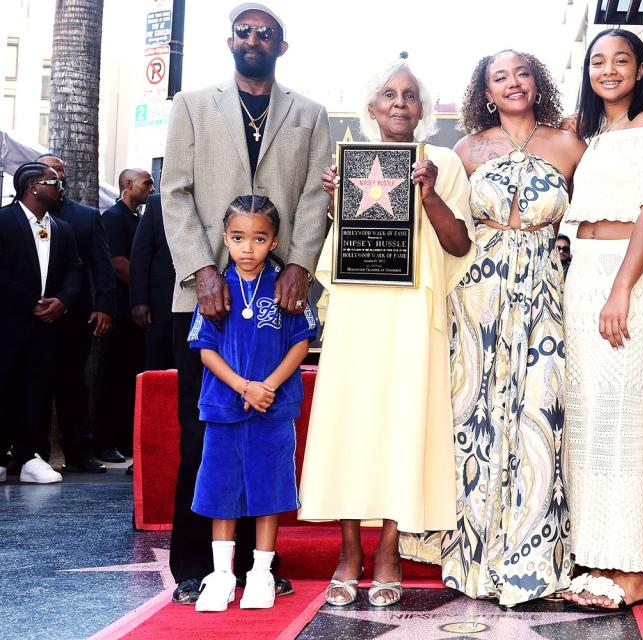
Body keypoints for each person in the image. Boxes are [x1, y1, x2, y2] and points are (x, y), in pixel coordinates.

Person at [399, 49, 585, 607]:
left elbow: (596, 214)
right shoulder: (465, 150)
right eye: (499, 76)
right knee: (473, 412)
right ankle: (474, 556)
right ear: (485, 90)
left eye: (522, 73)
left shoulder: (570, 145)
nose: (512, 83)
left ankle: (532, 559)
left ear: (538, 81)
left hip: (546, 292)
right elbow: (450, 229)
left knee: (538, 413)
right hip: (478, 293)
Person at [160, 2, 331, 604]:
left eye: (266, 33)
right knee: (201, 434)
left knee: (266, 436)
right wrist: (203, 269)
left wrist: (302, 268)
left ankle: (262, 564)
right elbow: (174, 193)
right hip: (206, 293)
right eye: (244, 30)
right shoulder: (191, 105)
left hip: (276, 295)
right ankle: (195, 565)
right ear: (229, 41)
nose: (253, 39)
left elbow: (315, 197)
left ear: (281, 47)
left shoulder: (309, 114)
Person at [298, 58, 474, 608]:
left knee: (402, 426)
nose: (399, 103)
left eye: (410, 95)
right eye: (388, 95)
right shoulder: (347, 162)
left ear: (423, 109)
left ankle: (389, 552)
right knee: (353, 425)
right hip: (357, 313)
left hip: (412, 317)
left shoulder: (442, 161)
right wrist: (335, 200)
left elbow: (459, 244)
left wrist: (429, 193)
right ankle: (349, 550)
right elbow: (335, 247)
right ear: (371, 107)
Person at [561, 28, 643, 610]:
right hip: (584, 273)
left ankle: (631, 572)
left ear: (639, 69)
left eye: (621, 60)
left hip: (626, 278)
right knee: (590, 420)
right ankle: (598, 559)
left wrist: (621, 289)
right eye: (597, 61)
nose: (608, 70)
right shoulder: (596, 135)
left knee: (623, 417)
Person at [188, 196, 315, 611]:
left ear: (274, 241)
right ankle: (221, 574)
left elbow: (301, 342)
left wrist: (269, 387)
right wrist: (245, 387)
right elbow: (205, 349)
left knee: (268, 487)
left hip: (273, 410)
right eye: (238, 238)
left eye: (259, 239)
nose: (248, 248)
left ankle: (261, 572)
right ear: (225, 238)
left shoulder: (285, 287)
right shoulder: (214, 289)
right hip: (224, 408)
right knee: (220, 488)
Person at [0, 163, 83, 483]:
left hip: (48, 325)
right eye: (54, 182)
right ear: (32, 186)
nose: (60, 186)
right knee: (5, 386)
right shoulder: (4, 221)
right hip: (9, 323)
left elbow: (76, 269)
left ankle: (28, 457)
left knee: (38, 390)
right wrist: (29, 302)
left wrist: (62, 300)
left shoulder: (62, 228)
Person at [37, 153, 115, 474]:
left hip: (76, 316)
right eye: (49, 171)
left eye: (60, 171)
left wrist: (104, 306)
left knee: (72, 384)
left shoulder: (85, 217)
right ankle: (32, 453)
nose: (57, 176)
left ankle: (78, 452)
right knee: (34, 384)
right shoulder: (20, 217)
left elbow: (102, 264)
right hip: (32, 316)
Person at [95, 168, 153, 464]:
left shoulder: (139, 219)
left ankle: (124, 438)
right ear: (128, 185)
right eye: (146, 182)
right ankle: (104, 441)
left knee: (131, 375)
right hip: (119, 309)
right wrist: (146, 292)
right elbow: (117, 263)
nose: (151, 187)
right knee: (112, 376)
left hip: (137, 313)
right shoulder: (113, 218)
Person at [130, 193, 176, 371]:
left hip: (207, 307)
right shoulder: (157, 203)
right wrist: (139, 300)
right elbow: (141, 255)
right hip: (162, 305)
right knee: (159, 367)